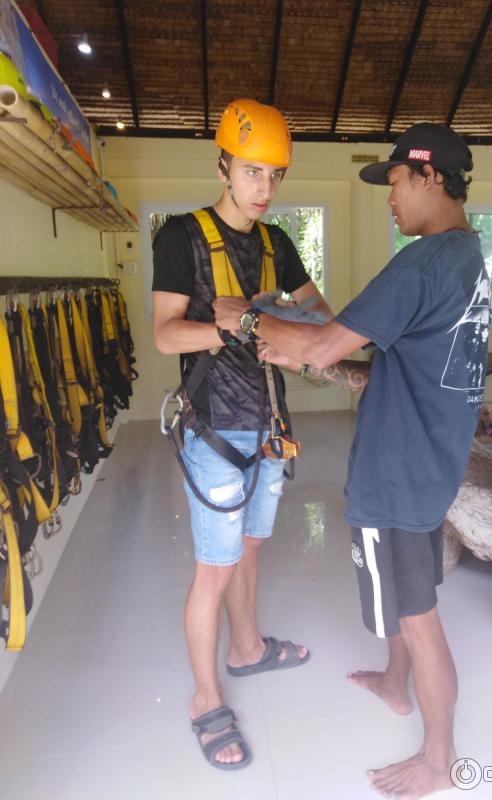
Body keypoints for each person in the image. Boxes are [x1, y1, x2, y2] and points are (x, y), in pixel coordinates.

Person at [214, 122, 491, 798]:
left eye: (395, 181)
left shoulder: (422, 262)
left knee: (419, 619)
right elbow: (381, 364)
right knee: (406, 599)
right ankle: (395, 684)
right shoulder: (466, 258)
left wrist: (244, 319)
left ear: (428, 177)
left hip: (395, 474)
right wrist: (313, 354)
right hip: (429, 464)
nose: (389, 198)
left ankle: (439, 758)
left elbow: (324, 344)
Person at [152, 98, 330, 770]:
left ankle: (247, 649)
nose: (266, 188)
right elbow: (166, 332)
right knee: (214, 570)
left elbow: (319, 314)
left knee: (250, 551)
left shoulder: (276, 244)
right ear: (223, 165)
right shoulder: (181, 237)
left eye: (276, 176)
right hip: (213, 431)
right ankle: (205, 698)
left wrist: (307, 325)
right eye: (254, 172)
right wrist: (231, 324)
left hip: (269, 426)